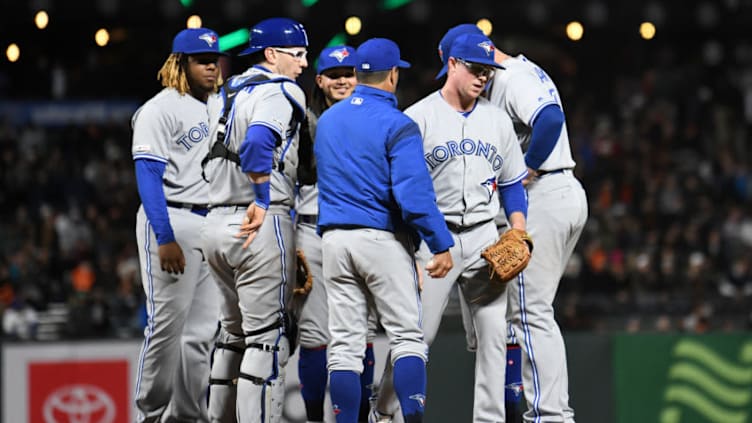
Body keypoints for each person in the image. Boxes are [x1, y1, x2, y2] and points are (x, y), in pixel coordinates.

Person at [370, 33, 530, 423]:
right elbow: (399, 192)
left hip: (482, 236)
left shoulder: (497, 120)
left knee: (494, 337)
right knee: (415, 338)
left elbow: (512, 184)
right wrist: (406, 251)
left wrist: (518, 229)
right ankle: (385, 412)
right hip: (431, 240)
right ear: (453, 65)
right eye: (475, 69)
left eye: (488, 72)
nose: (483, 78)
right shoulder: (417, 118)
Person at [438, 23, 589, 423]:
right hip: (561, 192)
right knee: (521, 313)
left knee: (528, 311)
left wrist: (525, 170)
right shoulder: (520, 72)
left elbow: (551, 119)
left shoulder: (514, 78)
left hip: (546, 195)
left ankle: (550, 415)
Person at [315, 37, 455, 423]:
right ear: (393, 74)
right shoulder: (397, 123)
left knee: (344, 347)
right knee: (408, 338)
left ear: (359, 73)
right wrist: (439, 243)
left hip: (334, 241)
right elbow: (414, 196)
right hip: (379, 238)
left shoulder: (328, 120)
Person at [199, 17, 308, 423]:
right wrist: (262, 199)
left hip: (216, 224)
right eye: (296, 54)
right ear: (271, 54)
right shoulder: (281, 90)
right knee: (267, 341)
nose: (303, 63)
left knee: (233, 337)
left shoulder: (224, 91)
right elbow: (259, 142)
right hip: (257, 221)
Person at [131, 27, 224, 423]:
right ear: (180, 63)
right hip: (172, 217)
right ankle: (149, 414)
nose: (210, 66)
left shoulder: (220, 104)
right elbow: (148, 174)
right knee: (166, 327)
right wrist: (164, 236)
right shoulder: (160, 108)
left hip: (211, 220)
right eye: (201, 60)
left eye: (214, 59)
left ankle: (187, 416)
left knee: (202, 333)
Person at [295, 45, 380, 423]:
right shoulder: (303, 120)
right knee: (315, 337)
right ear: (320, 80)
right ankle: (315, 417)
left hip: (361, 229)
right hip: (312, 227)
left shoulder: (375, 116)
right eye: (335, 74)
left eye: (349, 73)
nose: (343, 80)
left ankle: (361, 417)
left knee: (359, 335)